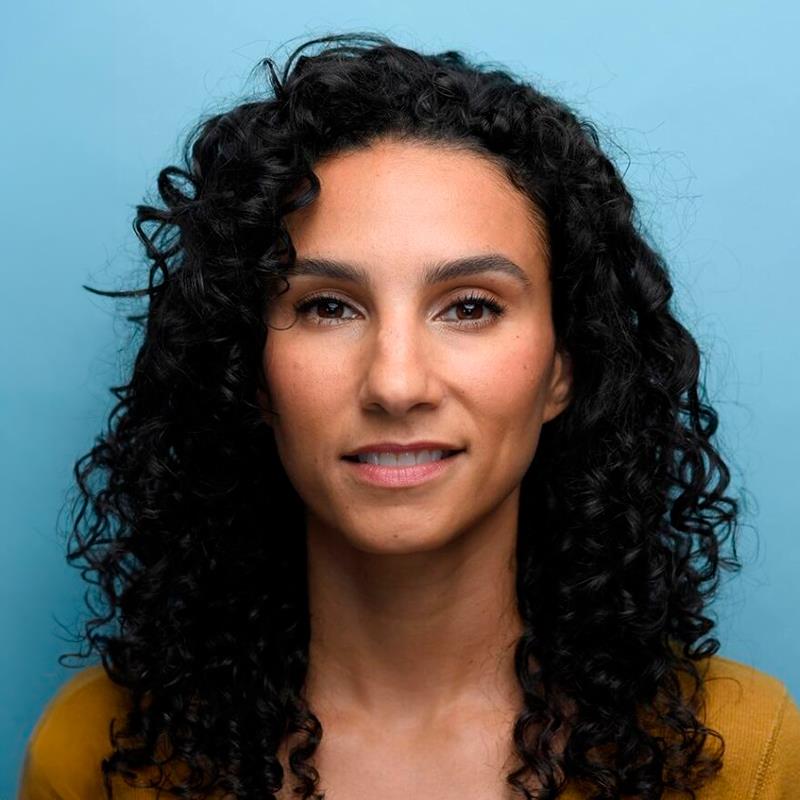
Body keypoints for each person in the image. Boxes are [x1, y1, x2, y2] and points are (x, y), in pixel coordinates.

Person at [18, 32, 800, 800]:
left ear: (564, 367)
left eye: (470, 307)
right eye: (328, 307)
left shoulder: (743, 757)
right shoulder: (99, 753)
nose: (396, 384)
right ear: (250, 369)